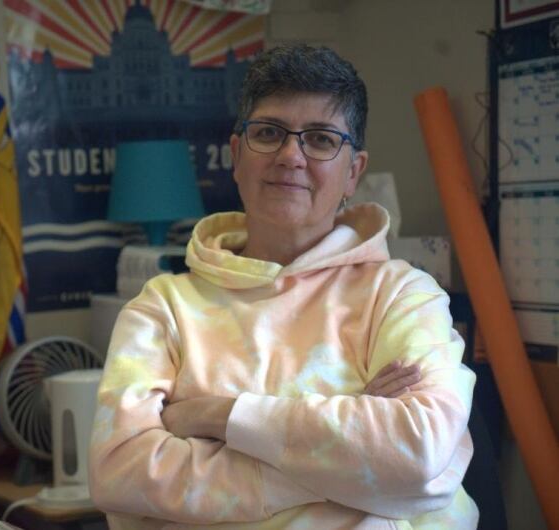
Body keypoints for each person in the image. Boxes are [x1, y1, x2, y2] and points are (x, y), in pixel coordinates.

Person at [89, 44, 478, 529]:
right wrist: (354, 465)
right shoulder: (164, 308)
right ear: (236, 155)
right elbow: (120, 472)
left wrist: (221, 417)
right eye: (269, 133)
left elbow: (419, 454)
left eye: (320, 139)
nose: (291, 155)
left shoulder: (404, 296)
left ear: (353, 171)